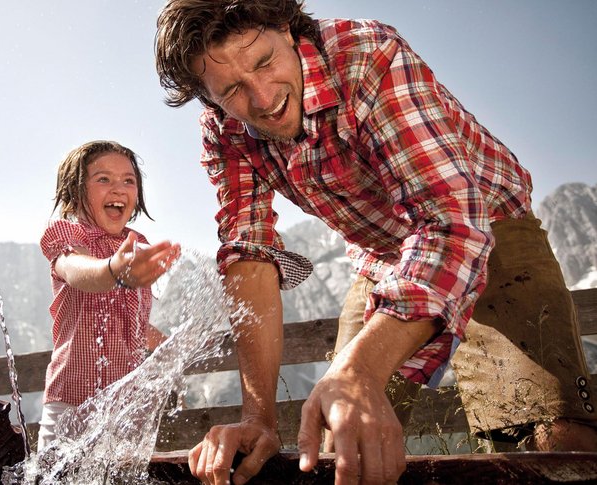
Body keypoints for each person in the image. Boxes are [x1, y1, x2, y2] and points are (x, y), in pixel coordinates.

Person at [154, 1, 597, 484]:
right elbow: (250, 256)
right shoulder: (223, 130)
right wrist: (258, 419)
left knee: (553, 447)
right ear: (206, 96)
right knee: (343, 437)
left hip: (486, 225)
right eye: (233, 90)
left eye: (264, 62)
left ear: (285, 26)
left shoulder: (365, 55)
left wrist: (362, 368)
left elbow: (449, 222)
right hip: (381, 257)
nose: (262, 99)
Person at [36, 140, 181, 451]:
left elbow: (133, 325)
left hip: (127, 409)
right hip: (71, 406)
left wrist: (173, 349)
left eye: (128, 180)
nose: (119, 188)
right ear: (74, 193)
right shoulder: (68, 235)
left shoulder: (136, 244)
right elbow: (76, 269)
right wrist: (114, 270)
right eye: (103, 179)